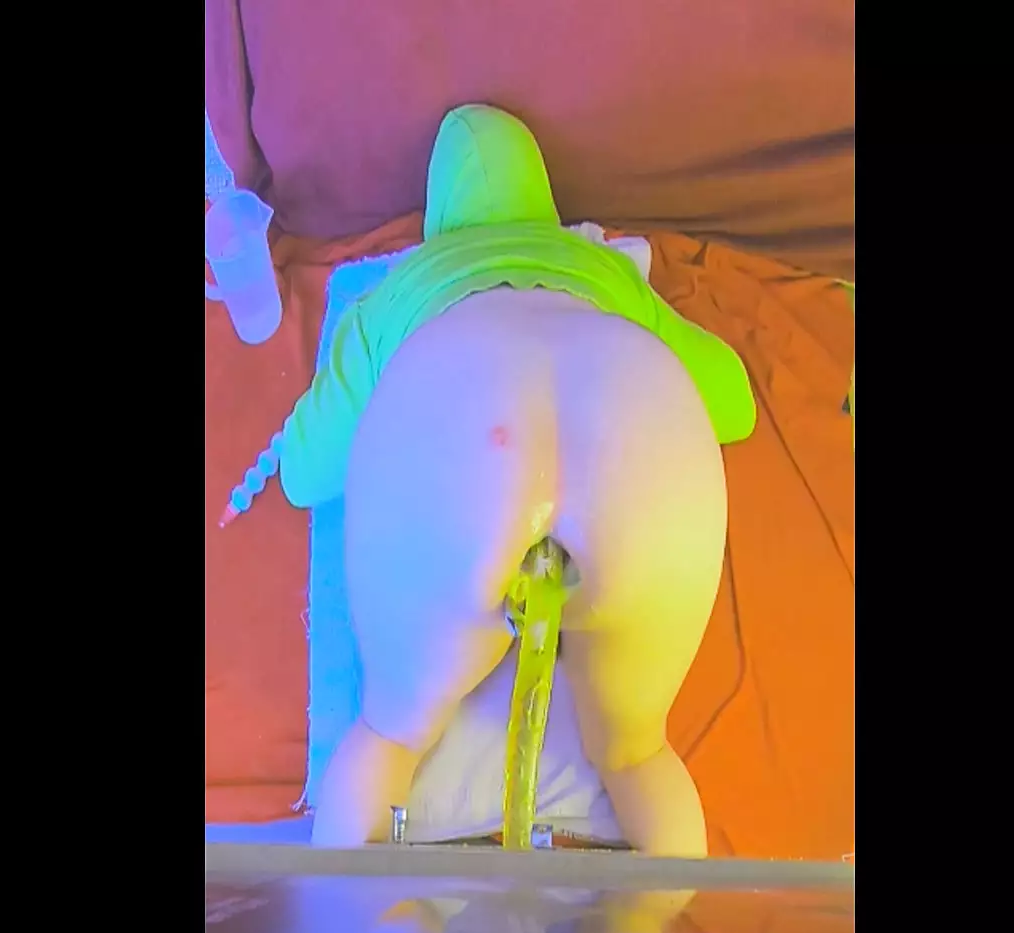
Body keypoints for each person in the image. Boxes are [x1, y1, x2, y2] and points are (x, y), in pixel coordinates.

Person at [280, 105, 756, 858]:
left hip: (466, 436)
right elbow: (734, 403)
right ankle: (658, 929)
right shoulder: (605, 271)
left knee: (389, 735)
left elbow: (303, 471)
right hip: (631, 418)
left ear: (442, 219)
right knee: (637, 753)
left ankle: (356, 922)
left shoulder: (399, 289)